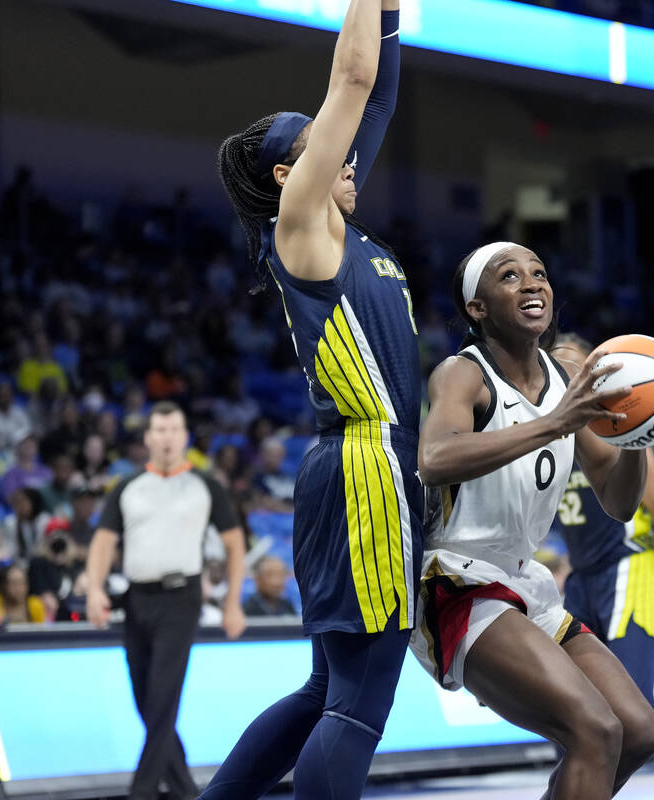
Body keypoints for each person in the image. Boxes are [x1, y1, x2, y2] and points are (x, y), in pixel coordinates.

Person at [201, 2, 421, 798]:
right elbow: (355, 80)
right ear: (291, 174)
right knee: (359, 705)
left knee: (324, 692)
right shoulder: (302, 225)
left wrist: (390, 13)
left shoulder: (330, 221)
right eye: (328, 147)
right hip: (367, 464)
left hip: (354, 465)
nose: (352, 157)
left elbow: (380, 93)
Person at [410, 242, 654, 798]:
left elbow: (619, 503)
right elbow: (434, 460)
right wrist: (556, 424)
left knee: (639, 731)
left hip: (525, 580)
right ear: (477, 308)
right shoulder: (462, 374)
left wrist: (637, 434)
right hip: (457, 578)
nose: (532, 284)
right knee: (594, 732)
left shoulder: (567, 376)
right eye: (510, 277)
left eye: (540, 274)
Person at [550, 334, 654, 800]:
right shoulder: (548, 429)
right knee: (574, 704)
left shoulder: (621, 429)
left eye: (574, 364)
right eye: (556, 363)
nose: (565, 371)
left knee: (636, 703)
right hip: (582, 578)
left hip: (631, 567)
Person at [85, 402, 246, 800]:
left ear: (184, 436)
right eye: (160, 430)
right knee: (146, 700)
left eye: (174, 429)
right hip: (136, 599)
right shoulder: (128, 486)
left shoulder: (205, 485)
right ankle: (185, 792)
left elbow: (234, 544)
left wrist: (233, 602)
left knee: (161, 697)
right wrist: (94, 589)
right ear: (147, 438)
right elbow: (103, 541)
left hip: (181, 598)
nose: (167, 437)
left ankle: (140, 792)